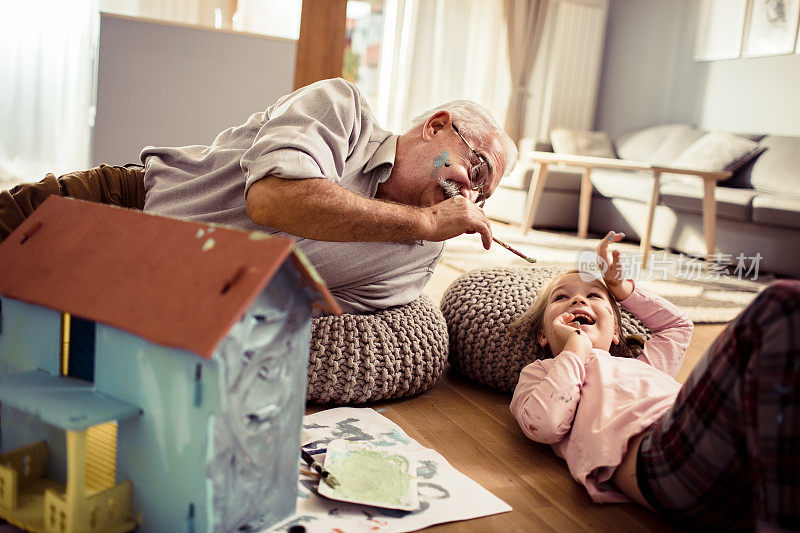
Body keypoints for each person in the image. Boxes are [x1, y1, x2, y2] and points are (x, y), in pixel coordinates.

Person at [0, 78, 517, 314]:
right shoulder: (342, 109)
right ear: (437, 127)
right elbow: (273, 199)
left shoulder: (417, 264)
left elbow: (315, 317)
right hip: (122, 210)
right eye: (477, 168)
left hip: (160, 302)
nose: (469, 193)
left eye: (484, 196)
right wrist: (423, 224)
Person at [510, 231, 800, 530]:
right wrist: (575, 348)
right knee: (782, 304)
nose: (578, 299)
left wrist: (622, 290)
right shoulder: (541, 373)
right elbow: (544, 425)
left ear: (615, 334)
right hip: (662, 460)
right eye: (561, 297)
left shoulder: (644, 364)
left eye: (594, 295)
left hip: (742, 458)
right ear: (544, 335)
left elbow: (678, 325)